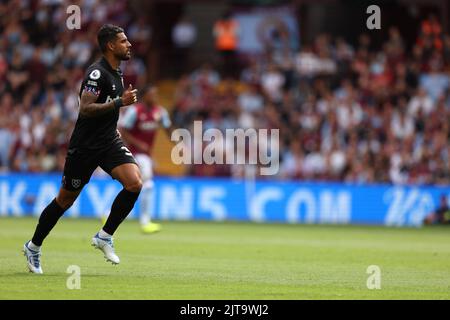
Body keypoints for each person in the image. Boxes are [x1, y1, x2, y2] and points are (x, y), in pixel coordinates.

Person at [23, 24, 141, 274]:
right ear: (110, 45)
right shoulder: (97, 74)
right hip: (84, 147)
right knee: (64, 200)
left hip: (108, 141)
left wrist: (116, 119)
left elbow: (107, 111)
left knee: (134, 183)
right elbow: (85, 108)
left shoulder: (118, 73)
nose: (128, 44)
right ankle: (33, 246)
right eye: (123, 41)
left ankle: (104, 235)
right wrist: (121, 102)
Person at [111, 84, 171, 234]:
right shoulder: (135, 111)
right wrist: (138, 144)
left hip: (146, 155)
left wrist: (179, 142)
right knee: (148, 184)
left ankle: (107, 213)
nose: (155, 97)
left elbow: (168, 129)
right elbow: (123, 130)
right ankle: (145, 222)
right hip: (135, 153)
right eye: (152, 94)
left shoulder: (160, 112)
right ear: (145, 96)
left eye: (156, 94)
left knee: (132, 186)